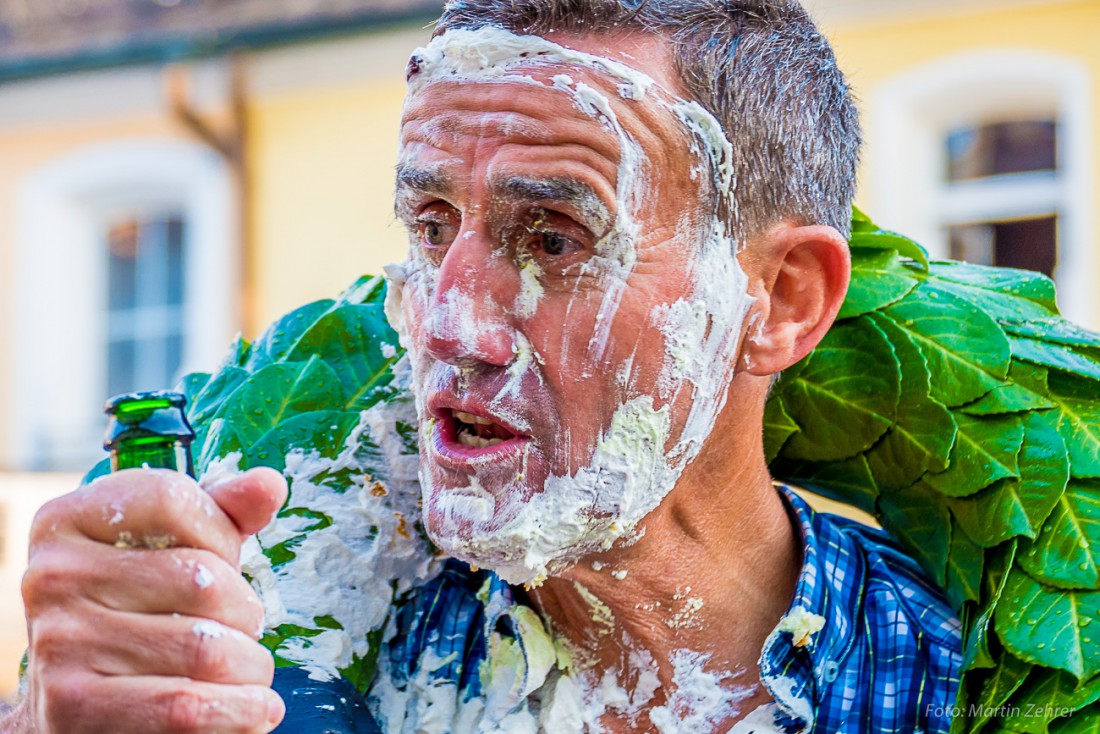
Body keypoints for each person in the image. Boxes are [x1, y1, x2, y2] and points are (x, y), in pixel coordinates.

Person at [1, 1, 962, 732]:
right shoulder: (276, 655)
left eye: (553, 237)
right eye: (430, 227)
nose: (452, 325)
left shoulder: (946, 683)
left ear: (781, 299)